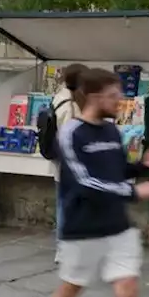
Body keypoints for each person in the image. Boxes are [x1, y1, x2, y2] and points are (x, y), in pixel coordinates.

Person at [41, 68, 149, 297]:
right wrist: (134, 191)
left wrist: (142, 166)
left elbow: (116, 169)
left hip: (117, 225)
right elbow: (85, 183)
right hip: (82, 227)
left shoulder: (111, 131)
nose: (120, 101)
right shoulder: (71, 134)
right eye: (114, 96)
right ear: (95, 97)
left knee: (127, 291)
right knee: (71, 287)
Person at [51, 63, 87, 263]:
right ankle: (64, 249)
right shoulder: (69, 106)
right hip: (69, 166)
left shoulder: (59, 97)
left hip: (61, 165)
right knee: (66, 206)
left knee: (64, 205)